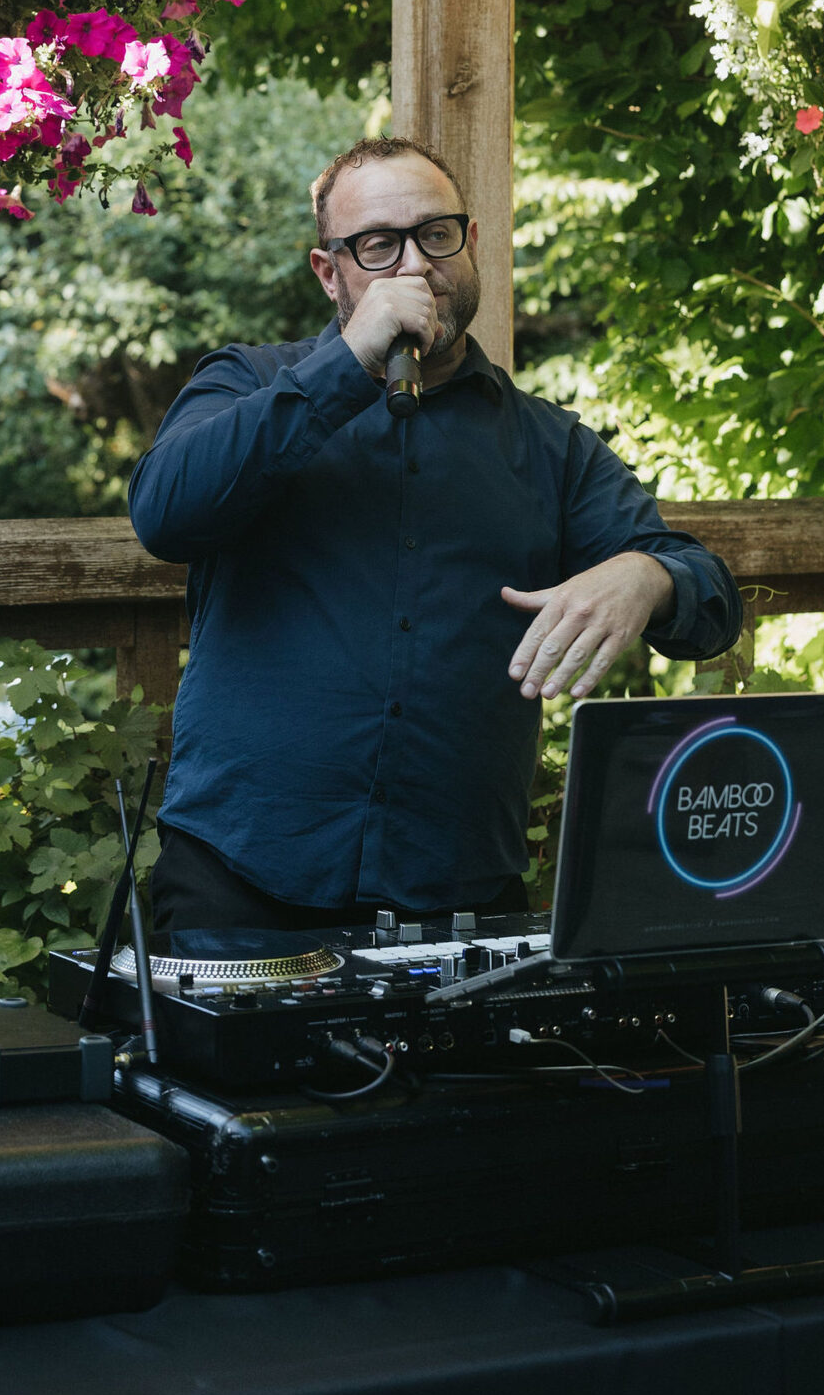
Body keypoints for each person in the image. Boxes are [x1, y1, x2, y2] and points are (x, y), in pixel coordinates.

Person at [127, 135, 743, 941]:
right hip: (242, 879)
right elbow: (165, 515)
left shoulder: (550, 447)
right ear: (329, 272)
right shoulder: (247, 384)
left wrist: (646, 579)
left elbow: (708, 597)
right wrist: (350, 363)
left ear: (472, 243)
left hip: (458, 891)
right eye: (379, 245)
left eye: (436, 234)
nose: (415, 265)